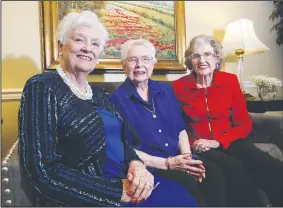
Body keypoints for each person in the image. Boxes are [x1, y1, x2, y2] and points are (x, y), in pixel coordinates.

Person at [18, 11, 156, 207]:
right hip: (87, 197)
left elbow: (123, 142)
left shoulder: (101, 95)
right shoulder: (42, 87)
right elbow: (41, 170)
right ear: (61, 46)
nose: (87, 48)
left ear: (98, 54)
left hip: (129, 185)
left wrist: (137, 164)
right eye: (79, 40)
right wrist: (116, 191)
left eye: (95, 44)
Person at [110, 39, 233, 206]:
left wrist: (187, 159)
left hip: (179, 158)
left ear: (153, 63)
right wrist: (170, 164)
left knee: (215, 174)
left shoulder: (165, 91)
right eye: (133, 60)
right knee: (189, 184)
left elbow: (180, 128)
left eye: (145, 59)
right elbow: (125, 149)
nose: (140, 65)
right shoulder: (116, 100)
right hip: (155, 166)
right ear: (123, 65)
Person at [173, 34, 283, 207]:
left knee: (270, 165)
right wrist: (194, 144)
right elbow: (176, 125)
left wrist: (218, 141)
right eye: (196, 55)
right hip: (201, 146)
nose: (202, 60)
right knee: (236, 171)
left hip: (231, 140)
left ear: (217, 58)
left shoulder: (229, 81)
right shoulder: (179, 87)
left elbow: (244, 123)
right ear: (190, 60)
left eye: (208, 54)